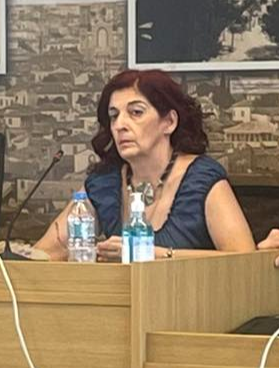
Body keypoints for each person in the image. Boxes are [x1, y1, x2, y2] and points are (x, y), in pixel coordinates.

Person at [35, 69, 254, 261]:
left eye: (136, 113)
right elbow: (44, 253)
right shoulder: (104, 184)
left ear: (169, 122)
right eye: (114, 116)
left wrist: (151, 253)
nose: (120, 125)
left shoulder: (201, 179)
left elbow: (243, 258)